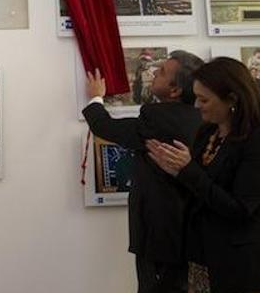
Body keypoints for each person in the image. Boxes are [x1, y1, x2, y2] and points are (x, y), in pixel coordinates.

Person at [146, 57, 260, 293]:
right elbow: (202, 191)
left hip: (245, 269)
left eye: (204, 99)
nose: (196, 106)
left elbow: (240, 209)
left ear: (232, 99)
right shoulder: (208, 132)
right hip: (204, 262)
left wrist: (187, 171)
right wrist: (176, 172)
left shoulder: (259, 141)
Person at [83, 50, 204, 293]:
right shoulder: (200, 119)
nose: (153, 73)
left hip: (160, 236)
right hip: (191, 234)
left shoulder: (157, 118)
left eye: (161, 72)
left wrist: (96, 97)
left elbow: (105, 127)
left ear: (175, 90)